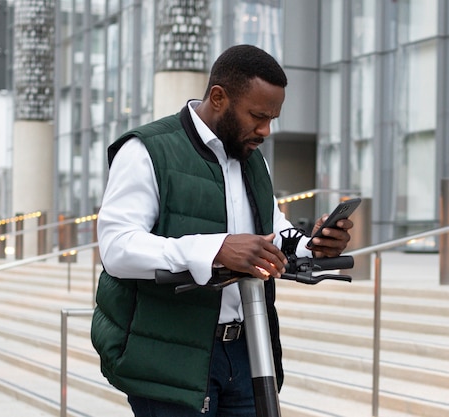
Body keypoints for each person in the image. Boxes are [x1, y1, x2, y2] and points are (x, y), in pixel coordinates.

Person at [91, 44, 353, 417]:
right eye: (258, 116)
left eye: (272, 119)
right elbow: (116, 248)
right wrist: (216, 250)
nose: (265, 130)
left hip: (248, 351)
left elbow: (271, 232)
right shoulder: (147, 150)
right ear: (218, 97)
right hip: (170, 356)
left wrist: (314, 247)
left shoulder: (250, 157)